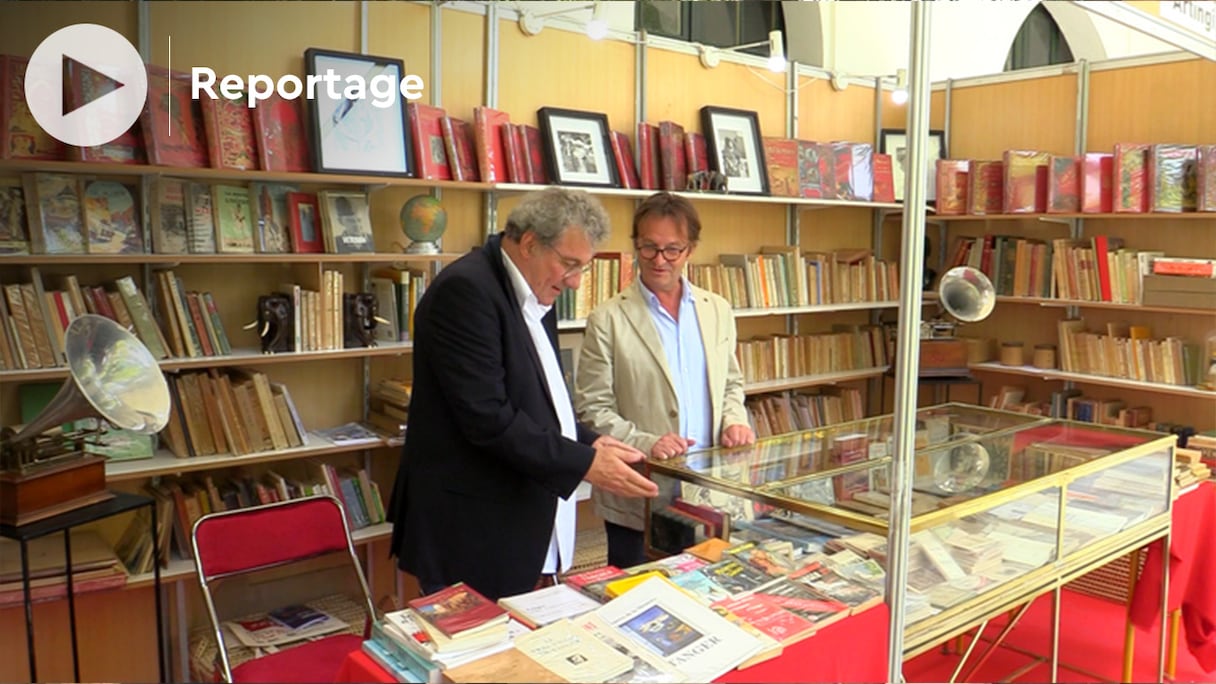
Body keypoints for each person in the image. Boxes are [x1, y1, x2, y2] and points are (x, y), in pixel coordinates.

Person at [388, 187, 658, 601]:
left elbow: (537, 396)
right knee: (475, 660)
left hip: (516, 521)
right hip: (470, 532)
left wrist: (587, 439)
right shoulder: (466, 292)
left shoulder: (531, 288)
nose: (574, 282)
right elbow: (488, 417)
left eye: (582, 267)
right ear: (530, 243)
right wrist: (585, 462)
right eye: (568, 264)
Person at [573, 192, 754, 569]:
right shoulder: (607, 319)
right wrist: (648, 443)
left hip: (711, 490)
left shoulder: (717, 310)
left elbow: (731, 385)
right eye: (649, 248)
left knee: (713, 593)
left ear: (690, 249)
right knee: (636, 600)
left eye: (672, 249)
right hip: (641, 490)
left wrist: (735, 420)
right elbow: (592, 411)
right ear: (635, 246)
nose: (660, 260)